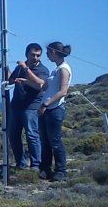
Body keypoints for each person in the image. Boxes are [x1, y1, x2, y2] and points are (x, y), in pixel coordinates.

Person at [8, 43, 49, 169]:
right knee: (14, 135)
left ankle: (36, 165)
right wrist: (6, 68)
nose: (36, 58)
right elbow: (10, 80)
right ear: (27, 54)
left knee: (32, 135)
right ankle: (21, 163)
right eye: (33, 55)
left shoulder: (42, 70)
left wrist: (26, 69)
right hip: (16, 106)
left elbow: (40, 83)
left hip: (31, 107)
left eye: (38, 55)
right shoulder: (20, 68)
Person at [38, 41, 72, 181]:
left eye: (47, 52)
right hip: (47, 110)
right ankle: (45, 169)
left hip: (54, 109)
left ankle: (61, 170)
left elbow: (63, 91)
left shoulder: (64, 69)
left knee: (55, 141)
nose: (46, 55)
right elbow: (44, 87)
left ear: (53, 52)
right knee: (45, 141)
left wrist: (46, 104)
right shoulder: (56, 69)